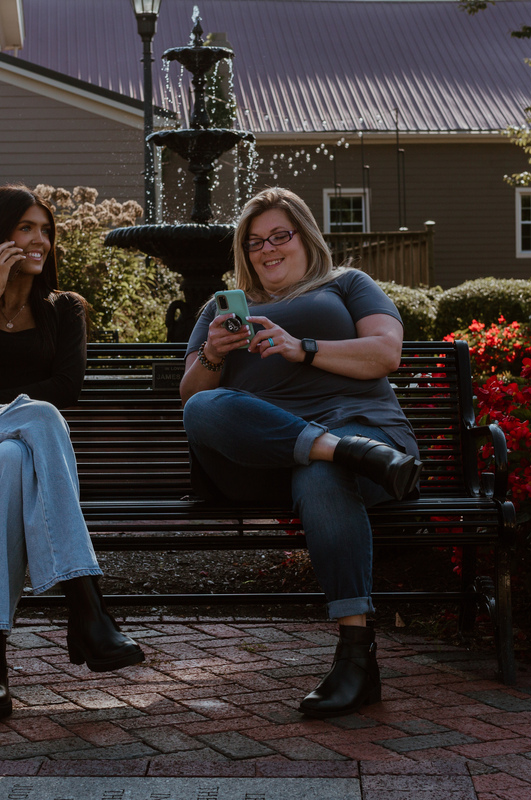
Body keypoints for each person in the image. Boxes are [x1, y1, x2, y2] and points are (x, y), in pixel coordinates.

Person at [180, 187, 421, 718]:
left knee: (319, 474)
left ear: (305, 237)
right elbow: (193, 397)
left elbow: (386, 353)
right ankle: (343, 451)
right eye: (254, 242)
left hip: (363, 427)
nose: (267, 250)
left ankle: (356, 661)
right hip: (263, 459)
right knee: (203, 409)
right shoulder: (221, 310)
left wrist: (300, 347)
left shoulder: (348, 285)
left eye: (279, 236)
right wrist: (214, 355)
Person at [0, 185, 144, 720]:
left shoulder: (64, 311)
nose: (40, 240)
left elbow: (66, 387)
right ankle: (85, 607)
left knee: (14, 461)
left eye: (45, 229)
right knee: (37, 416)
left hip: (14, 449)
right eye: (26, 228)